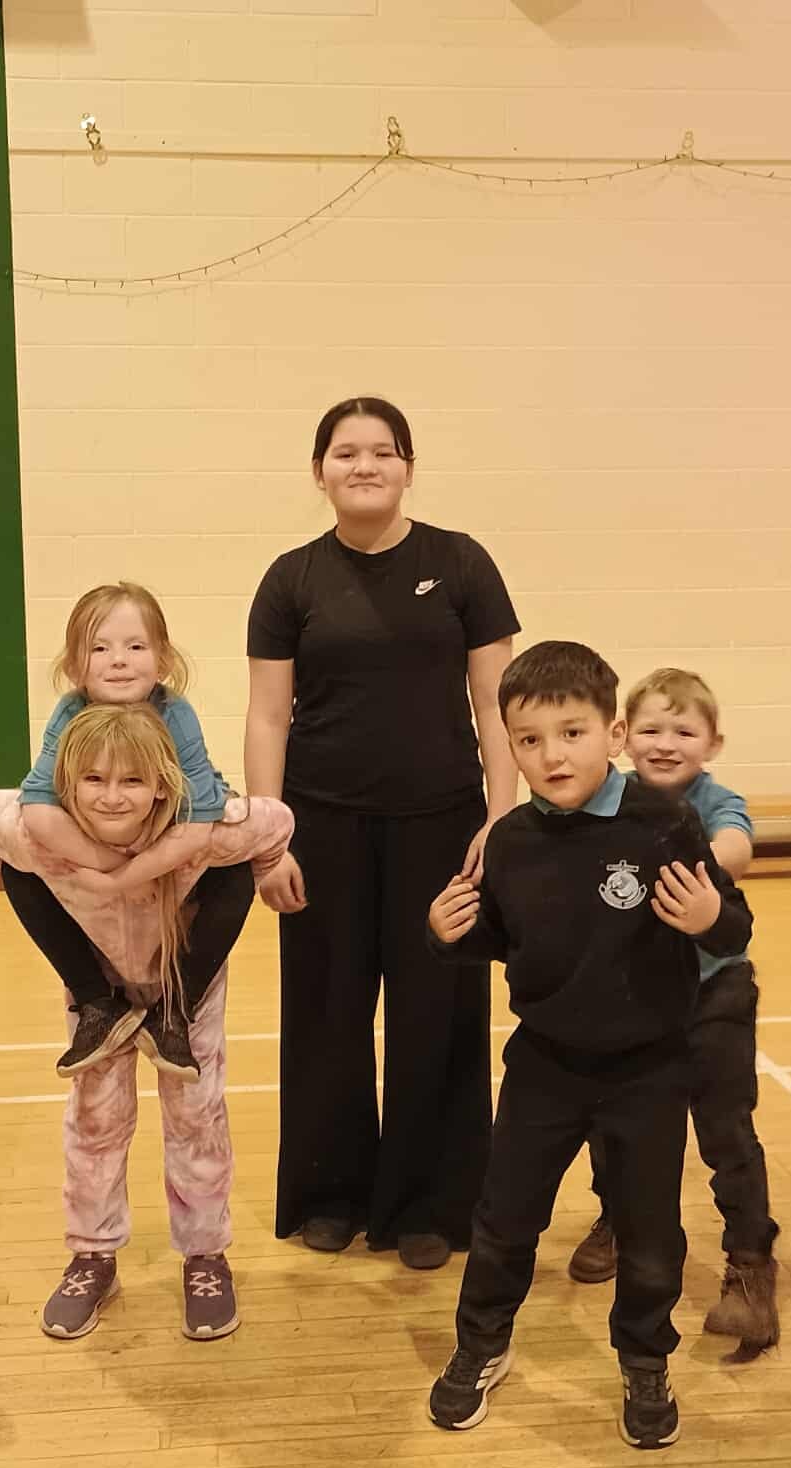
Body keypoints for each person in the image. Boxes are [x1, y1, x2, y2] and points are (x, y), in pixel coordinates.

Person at [425, 642, 751, 1449]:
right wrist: (449, 936)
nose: (550, 755)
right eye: (528, 740)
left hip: (648, 1070)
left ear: (611, 733)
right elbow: (503, 939)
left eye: (570, 733)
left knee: (648, 1235)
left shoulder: (663, 821)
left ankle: (645, 1362)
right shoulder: (510, 841)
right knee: (504, 1221)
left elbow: (732, 924)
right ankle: (480, 1347)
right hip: (544, 1065)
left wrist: (710, 920)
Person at [245, 396, 520, 1269]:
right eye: (345, 452)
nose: (364, 466)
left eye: (382, 452)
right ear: (318, 470)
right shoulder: (291, 579)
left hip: (441, 824)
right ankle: (331, 1194)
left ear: (408, 466)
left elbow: (496, 703)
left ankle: (431, 1206)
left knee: (439, 1012)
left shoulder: (462, 563)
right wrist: (269, 837)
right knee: (325, 1010)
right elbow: (267, 718)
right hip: (320, 827)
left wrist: (501, 815)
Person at [0, 705, 293, 1341]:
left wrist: (236, 851)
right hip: (100, 986)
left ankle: (205, 1255)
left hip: (183, 983)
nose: (113, 797)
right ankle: (93, 1253)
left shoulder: (201, 828)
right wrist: (81, 855)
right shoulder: (38, 832)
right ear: (65, 784)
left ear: (163, 786)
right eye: (92, 781)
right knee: (96, 1117)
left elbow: (275, 822)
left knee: (196, 1113)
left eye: (132, 782)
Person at [565, 668, 778, 1362]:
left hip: (714, 995)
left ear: (712, 743)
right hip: (628, 998)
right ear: (625, 736)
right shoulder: (605, 801)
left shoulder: (717, 804)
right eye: (651, 729)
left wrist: (685, 869)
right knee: (613, 1122)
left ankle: (750, 1261)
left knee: (725, 1134)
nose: (665, 743)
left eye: (684, 731)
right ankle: (617, 1219)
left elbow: (737, 846)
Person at [0, 583, 253, 1082]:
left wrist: (125, 877)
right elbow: (37, 811)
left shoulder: (174, 714)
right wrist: (108, 865)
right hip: (108, 852)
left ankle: (175, 1011)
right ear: (73, 665)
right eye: (99, 647)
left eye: (135, 646)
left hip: (171, 852)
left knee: (236, 871)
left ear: (163, 660)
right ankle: (96, 1003)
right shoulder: (71, 713)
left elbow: (200, 825)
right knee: (18, 869)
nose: (119, 660)